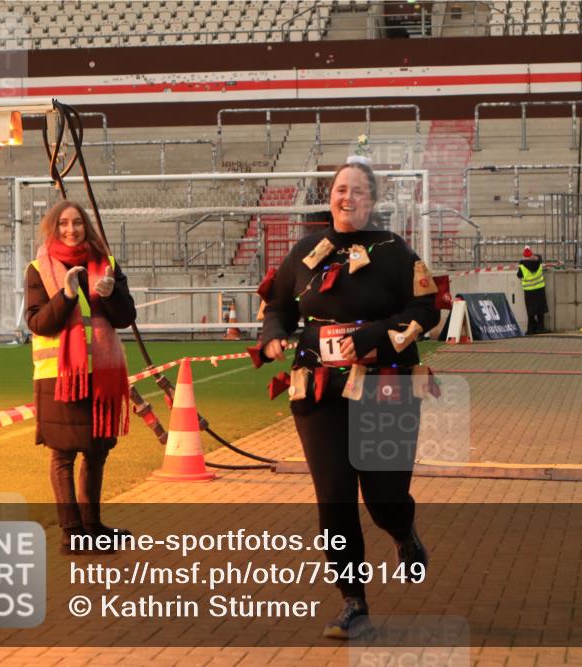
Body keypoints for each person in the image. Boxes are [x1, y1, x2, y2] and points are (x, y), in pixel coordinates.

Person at [258, 161, 440, 639]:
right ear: (330, 195)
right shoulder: (304, 252)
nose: (348, 197)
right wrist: (274, 333)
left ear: (372, 200)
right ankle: (353, 601)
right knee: (334, 499)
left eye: (358, 191)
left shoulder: (394, 251)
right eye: (341, 189)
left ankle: (402, 531)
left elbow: (425, 308)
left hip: (385, 387)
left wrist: (376, 335)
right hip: (319, 393)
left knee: (383, 496)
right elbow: (277, 305)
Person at [25, 200, 136, 555]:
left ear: (86, 226)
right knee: (63, 455)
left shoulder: (108, 265)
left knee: (96, 452)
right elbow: (38, 323)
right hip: (59, 376)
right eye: (63, 224)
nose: (70, 230)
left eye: (77, 223)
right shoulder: (38, 268)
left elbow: (125, 316)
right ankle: (72, 531)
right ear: (52, 228)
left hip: (100, 376)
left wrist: (112, 293)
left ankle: (93, 526)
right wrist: (68, 294)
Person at [517, 245, 548, 334]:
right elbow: (539, 258)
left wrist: (521, 262)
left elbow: (519, 275)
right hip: (539, 289)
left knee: (530, 311)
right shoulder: (539, 263)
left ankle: (531, 329)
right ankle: (541, 328)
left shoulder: (522, 266)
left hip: (529, 291)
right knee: (540, 310)